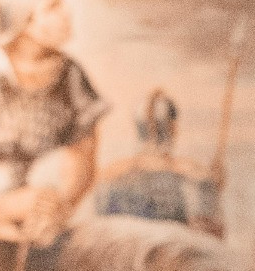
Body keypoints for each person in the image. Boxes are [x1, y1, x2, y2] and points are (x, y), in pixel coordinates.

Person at [0, 0, 107, 249]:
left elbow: (82, 166)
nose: (67, 13)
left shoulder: (71, 77)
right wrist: (7, 206)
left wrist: (58, 208)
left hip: (30, 217)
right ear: (22, 20)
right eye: (52, 6)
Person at [95, 89, 222, 236]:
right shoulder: (196, 176)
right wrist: (213, 186)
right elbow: (209, 236)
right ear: (172, 127)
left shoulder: (108, 175)